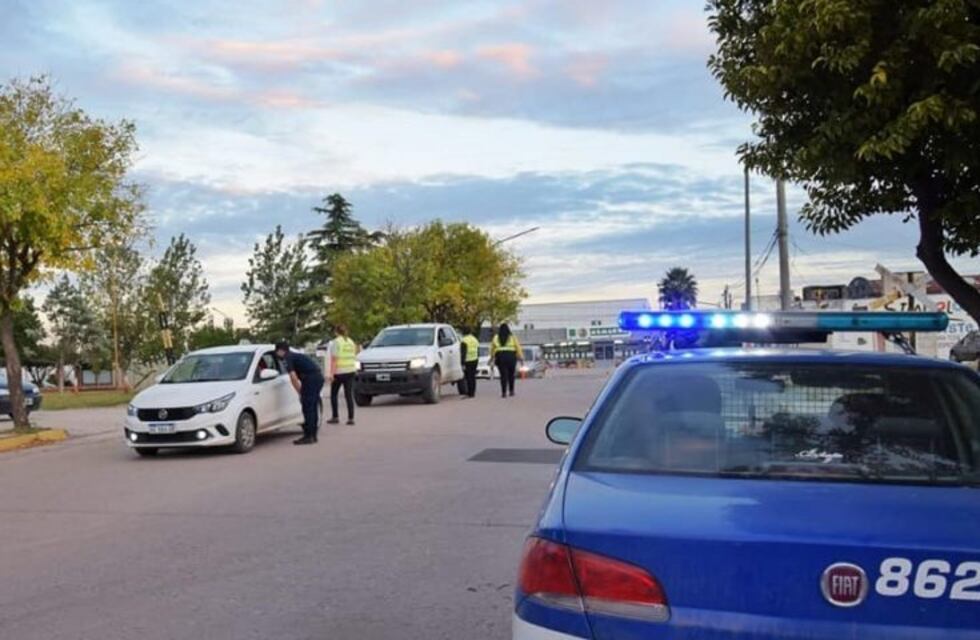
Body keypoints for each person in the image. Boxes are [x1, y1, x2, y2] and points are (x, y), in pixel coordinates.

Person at [275, 340, 325, 445]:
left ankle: (308, 436)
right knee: (312, 407)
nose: (276, 354)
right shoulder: (294, 355)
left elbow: (293, 377)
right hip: (317, 377)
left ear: (280, 351)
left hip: (310, 379)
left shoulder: (287, 358)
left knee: (307, 408)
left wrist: (300, 392)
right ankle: (313, 435)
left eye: (277, 352)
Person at [326, 325, 358, 425]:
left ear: (336, 332)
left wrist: (331, 374)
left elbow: (334, 359)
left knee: (334, 394)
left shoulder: (336, 342)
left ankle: (335, 416)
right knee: (348, 395)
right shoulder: (350, 341)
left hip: (339, 372)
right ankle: (351, 418)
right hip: (350, 370)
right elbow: (355, 354)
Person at [490, 323, 523, 398]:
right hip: (511, 356)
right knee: (511, 375)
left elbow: (492, 348)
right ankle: (511, 391)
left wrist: (492, 357)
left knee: (503, 375)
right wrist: (521, 358)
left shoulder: (496, 337)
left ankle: (504, 392)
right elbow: (518, 347)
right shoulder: (512, 337)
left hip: (500, 357)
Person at [460, 327, 480, 398]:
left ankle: (469, 393)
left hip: (467, 361)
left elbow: (463, 353)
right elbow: (478, 351)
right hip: (474, 360)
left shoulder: (464, 340)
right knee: (473, 377)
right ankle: (473, 392)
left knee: (468, 377)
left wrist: (462, 363)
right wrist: (477, 359)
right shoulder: (475, 339)